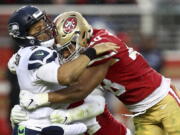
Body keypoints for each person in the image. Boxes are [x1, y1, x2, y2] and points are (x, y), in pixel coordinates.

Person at [19, 11, 180, 135]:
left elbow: (80, 90)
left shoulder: (103, 47)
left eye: (68, 48)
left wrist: (41, 99)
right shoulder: (91, 43)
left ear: (81, 35)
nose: (65, 55)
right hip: (141, 113)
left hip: (163, 102)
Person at [7, 6, 119, 135]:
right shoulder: (39, 54)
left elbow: (14, 65)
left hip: (33, 126)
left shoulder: (22, 54)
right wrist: (91, 52)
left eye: (44, 23)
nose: (45, 29)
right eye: (38, 28)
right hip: (42, 128)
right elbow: (66, 77)